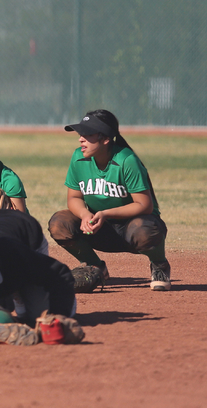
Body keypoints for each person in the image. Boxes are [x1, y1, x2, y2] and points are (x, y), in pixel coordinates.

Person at [47, 109, 170, 291]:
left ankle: (159, 265)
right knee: (59, 223)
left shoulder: (126, 160)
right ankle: (95, 267)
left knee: (146, 230)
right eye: (81, 134)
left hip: (133, 229)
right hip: (99, 228)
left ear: (105, 139)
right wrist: (85, 214)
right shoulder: (78, 157)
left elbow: (145, 204)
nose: (81, 138)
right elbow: (73, 197)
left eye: (88, 134)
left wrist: (105, 213)